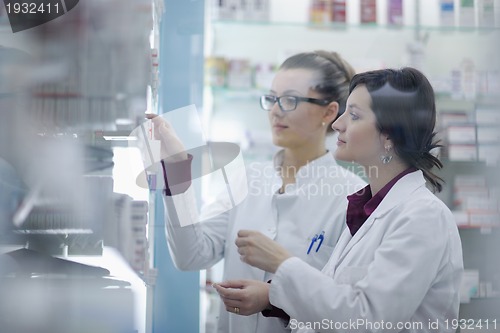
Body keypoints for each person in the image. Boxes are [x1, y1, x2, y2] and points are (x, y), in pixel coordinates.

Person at [214, 67, 464, 333]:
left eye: (354, 115)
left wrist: (282, 263)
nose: (337, 124)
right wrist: (272, 297)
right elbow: (337, 305)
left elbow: (367, 319)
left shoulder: (422, 217)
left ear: (389, 134)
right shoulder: (366, 209)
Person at [150, 51, 366, 333]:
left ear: (328, 112)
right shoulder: (248, 179)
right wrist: (178, 169)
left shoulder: (352, 196)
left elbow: (348, 311)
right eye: (272, 98)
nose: (275, 110)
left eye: (290, 100)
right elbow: (190, 255)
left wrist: (274, 299)